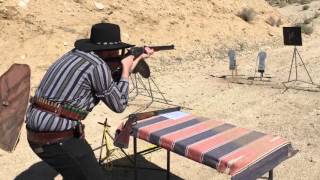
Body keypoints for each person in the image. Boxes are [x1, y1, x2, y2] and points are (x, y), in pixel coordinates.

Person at [25, 22, 154, 180]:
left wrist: (137, 58)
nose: (118, 52)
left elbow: (103, 80)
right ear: (109, 50)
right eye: (117, 49)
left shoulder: (73, 54)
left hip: (35, 130)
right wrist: (126, 70)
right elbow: (119, 104)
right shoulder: (98, 66)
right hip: (57, 136)